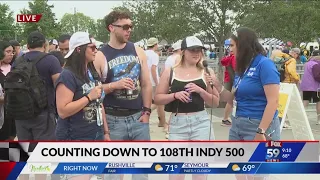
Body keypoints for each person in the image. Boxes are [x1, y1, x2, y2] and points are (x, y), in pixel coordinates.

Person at [214, 27, 280, 180]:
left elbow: (273, 101)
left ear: (242, 45)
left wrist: (260, 131)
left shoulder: (265, 65)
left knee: (256, 173)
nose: (229, 49)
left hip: (258, 124)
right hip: (238, 123)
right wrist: (217, 85)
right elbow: (231, 98)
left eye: (232, 45)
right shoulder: (241, 66)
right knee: (238, 167)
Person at [93, 10, 152, 180]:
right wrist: (114, 85)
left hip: (138, 118)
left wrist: (147, 112)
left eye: (131, 26)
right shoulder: (100, 56)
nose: (129, 30)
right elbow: (93, 91)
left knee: (141, 174)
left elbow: (147, 84)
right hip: (113, 120)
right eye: (125, 27)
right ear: (111, 28)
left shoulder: (138, 51)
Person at [154, 36, 220, 180]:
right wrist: (175, 95)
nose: (196, 53)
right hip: (178, 124)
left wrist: (201, 90)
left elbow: (215, 102)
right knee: (176, 172)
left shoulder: (207, 72)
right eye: (192, 50)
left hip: (201, 123)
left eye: (199, 50)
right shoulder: (170, 71)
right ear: (183, 51)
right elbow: (158, 98)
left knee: (199, 172)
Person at [55, 32, 109, 180]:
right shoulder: (67, 75)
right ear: (79, 50)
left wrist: (105, 132)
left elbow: (99, 103)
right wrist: (88, 97)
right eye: (91, 47)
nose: (95, 50)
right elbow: (63, 111)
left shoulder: (91, 72)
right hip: (74, 139)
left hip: (95, 136)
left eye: (96, 47)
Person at [145, 37, 166, 128]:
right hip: (153, 81)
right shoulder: (154, 55)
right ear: (155, 45)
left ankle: (162, 121)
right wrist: (157, 82)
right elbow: (153, 69)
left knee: (154, 101)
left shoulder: (144, 53)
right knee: (158, 102)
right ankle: (146, 114)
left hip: (145, 80)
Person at [300, 50, 320, 125]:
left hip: (306, 86)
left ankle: (301, 118)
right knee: (318, 102)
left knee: (305, 102)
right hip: (315, 86)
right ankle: (318, 119)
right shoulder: (316, 64)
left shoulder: (308, 63)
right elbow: (317, 76)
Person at [0, 40, 14, 140]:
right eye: (8, 51)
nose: (11, 54)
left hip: (12, 112)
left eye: (12, 52)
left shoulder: (14, 68)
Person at [220, 51, 236, 126]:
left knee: (230, 100)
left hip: (228, 79)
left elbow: (223, 62)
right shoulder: (234, 57)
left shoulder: (228, 57)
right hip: (233, 80)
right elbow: (236, 69)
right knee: (231, 101)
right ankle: (225, 118)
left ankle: (225, 118)